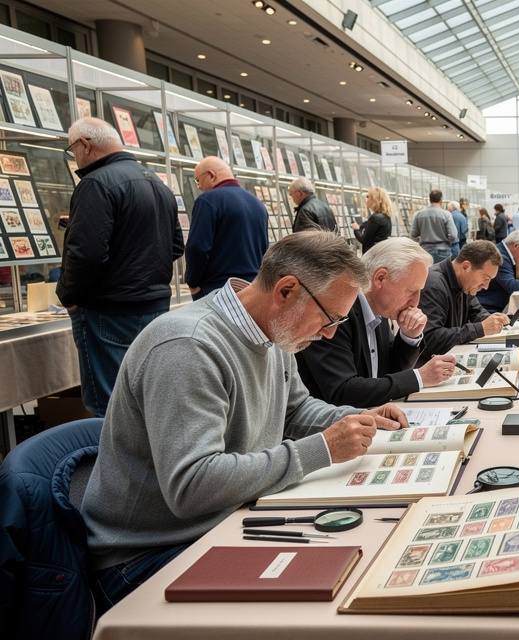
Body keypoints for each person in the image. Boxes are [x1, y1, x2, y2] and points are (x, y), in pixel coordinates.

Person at [81, 231, 408, 612]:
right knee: (313, 607)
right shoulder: (188, 346)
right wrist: (322, 449)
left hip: (224, 519)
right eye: (328, 318)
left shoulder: (274, 332)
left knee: (357, 561)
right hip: (148, 553)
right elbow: (192, 484)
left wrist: (354, 417)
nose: (330, 333)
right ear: (286, 290)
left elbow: (295, 410)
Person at [57, 117, 184, 418]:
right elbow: (175, 246)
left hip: (108, 311)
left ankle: (111, 454)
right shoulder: (156, 183)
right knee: (145, 399)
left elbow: (87, 254)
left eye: (72, 149)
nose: (74, 157)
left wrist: (67, 296)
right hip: (153, 305)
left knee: (109, 407)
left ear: (85, 144)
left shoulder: (95, 183)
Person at [296, 237, 458, 406]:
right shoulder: (337, 312)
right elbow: (342, 391)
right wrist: (420, 377)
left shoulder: (379, 309)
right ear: (380, 278)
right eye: (411, 291)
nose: (415, 302)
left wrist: (409, 336)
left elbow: (388, 374)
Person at [184, 156, 268, 301]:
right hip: (251, 288)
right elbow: (263, 248)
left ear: (211, 175)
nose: (199, 186)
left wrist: (193, 283)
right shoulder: (257, 203)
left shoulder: (208, 200)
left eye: (198, 180)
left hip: (217, 289)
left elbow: (197, 247)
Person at [417, 240, 511, 363]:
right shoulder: (434, 285)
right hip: (430, 365)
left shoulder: (465, 284)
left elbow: (477, 312)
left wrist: (492, 319)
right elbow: (429, 339)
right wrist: (479, 328)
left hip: (450, 357)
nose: (486, 286)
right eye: (485, 278)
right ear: (466, 267)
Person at [410, 189, 457, 263]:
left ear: (430, 200)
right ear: (441, 200)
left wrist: (422, 239)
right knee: (443, 270)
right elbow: (453, 235)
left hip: (425, 250)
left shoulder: (419, 214)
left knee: (428, 270)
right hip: (443, 250)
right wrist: (447, 242)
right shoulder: (446, 214)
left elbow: (413, 234)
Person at [351, 186, 393, 255]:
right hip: (381, 253)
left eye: (368, 197)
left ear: (374, 199)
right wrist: (360, 227)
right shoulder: (385, 216)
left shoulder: (375, 218)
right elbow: (367, 224)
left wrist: (356, 230)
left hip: (372, 255)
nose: (366, 199)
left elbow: (364, 240)